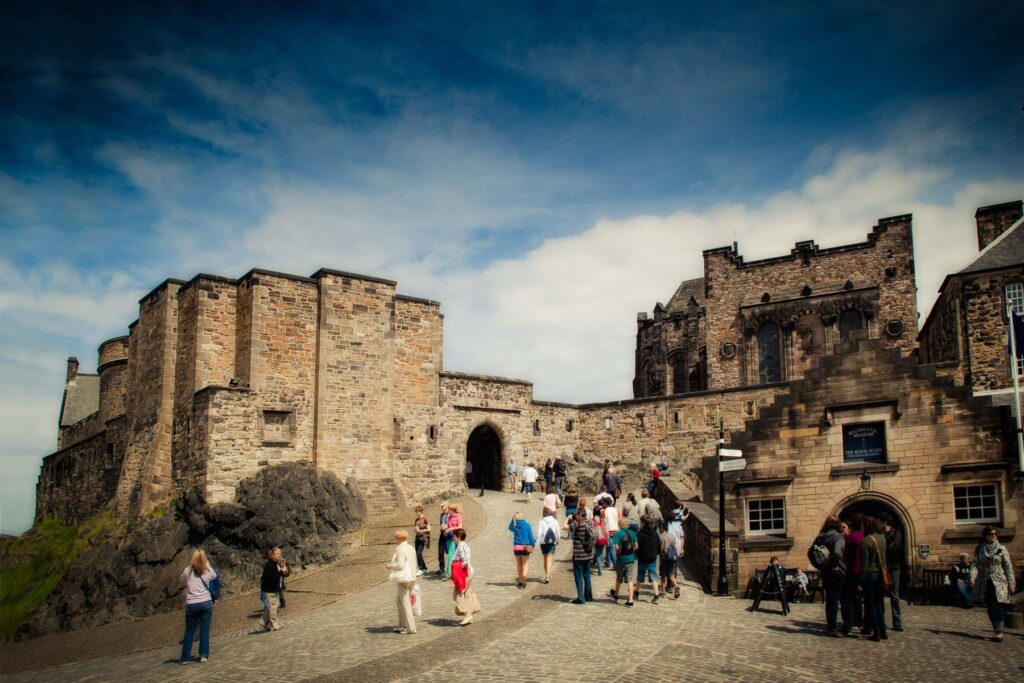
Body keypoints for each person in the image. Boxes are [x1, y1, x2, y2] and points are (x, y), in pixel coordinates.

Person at [973, 526, 1017, 642]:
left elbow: (1008, 567)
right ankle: (996, 629)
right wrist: (973, 577)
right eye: (991, 534)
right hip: (985, 581)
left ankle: (999, 631)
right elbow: (975, 564)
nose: (994, 535)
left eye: (995, 534)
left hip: (999, 581)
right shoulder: (980, 550)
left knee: (998, 605)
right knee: (990, 606)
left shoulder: (1001, 549)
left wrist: (1012, 583)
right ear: (986, 536)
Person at [808, 515, 846, 637]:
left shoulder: (820, 537)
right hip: (836, 571)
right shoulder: (838, 537)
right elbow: (837, 552)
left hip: (825, 572)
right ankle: (833, 628)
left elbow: (810, 552)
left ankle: (830, 626)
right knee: (835, 600)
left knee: (830, 600)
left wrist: (818, 565)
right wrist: (839, 566)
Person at [179, 548, 218, 664]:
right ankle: (203, 655)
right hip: (205, 602)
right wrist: (206, 566)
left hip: (192, 603)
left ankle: (185, 658)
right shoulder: (208, 570)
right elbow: (215, 577)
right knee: (204, 630)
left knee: (189, 631)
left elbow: (181, 582)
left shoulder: (187, 571)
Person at [860, 516, 888, 642]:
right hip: (881, 574)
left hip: (870, 575)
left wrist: (861, 579)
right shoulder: (882, 538)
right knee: (878, 603)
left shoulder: (866, 541)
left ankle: (876, 632)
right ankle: (883, 631)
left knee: (870, 604)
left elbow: (864, 563)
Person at [386, 529, 418, 634]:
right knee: (399, 601)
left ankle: (410, 627)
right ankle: (402, 624)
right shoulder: (410, 547)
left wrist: (390, 565)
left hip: (403, 578)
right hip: (412, 577)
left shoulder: (400, 548)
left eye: (395, 537)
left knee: (405, 602)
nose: (394, 539)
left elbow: (400, 565)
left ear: (398, 538)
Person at [450, 528, 481, 625]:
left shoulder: (461, 546)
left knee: (457, 595)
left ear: (458, 537)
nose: (453, 538)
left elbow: (465, 561)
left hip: (464, 574)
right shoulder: (462, 545)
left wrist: (456, 566)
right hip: (467, 573)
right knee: (467, 593)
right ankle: (470, 614)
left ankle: (468, 615)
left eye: (454, 536)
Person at [840, 515, 864, 635]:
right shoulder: (863, 536)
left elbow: (844, 555)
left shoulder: (851, 538)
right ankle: (859, 622)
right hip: (863, 572)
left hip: (852, 572)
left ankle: (848, 625)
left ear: (850, 527)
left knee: (847, 599)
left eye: (844, 527)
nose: (842, 529)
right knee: (858, 599)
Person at [880, 513, 904, 631]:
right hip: (883, 567)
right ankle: (881, 621)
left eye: (880, 521)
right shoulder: (880, 534)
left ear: (885, 522)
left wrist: (887, 547)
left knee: (894, 595)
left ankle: (897, 622)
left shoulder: (896, 533)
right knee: (880, 594)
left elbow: (896, 546)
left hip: (894, 567)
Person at [260, 547, 290, 632]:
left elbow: (283, 574)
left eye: (280, 554)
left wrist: (284, 570)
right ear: (272, 555)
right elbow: (272, 577)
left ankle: (263, 621)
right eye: (277, 554)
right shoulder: (269, 565)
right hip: (270, 589)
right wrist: (281, 571)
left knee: (274, 605)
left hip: (275, 588)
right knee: (273, 606)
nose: (279, 555)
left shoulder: (276, 563)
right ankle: (274, 624)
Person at [609, 519, 638, 607]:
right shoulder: (632, 533)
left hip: (621, 559)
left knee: (619, 578)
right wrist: (632, 552)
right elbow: (637, 546)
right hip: (630, 558)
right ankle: (630, 600)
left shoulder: (618, 534)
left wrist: (618, 553)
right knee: (630, 579)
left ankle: (616, 595)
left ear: (619, 525)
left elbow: (617, 547)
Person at [571, 508, 596, 604]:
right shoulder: (590, 522)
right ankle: (588, 596)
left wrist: (568, 519)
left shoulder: (578, 523)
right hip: (588, 553)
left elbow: (565, 527)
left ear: (579, 514)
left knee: (578, 575)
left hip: (579, 554)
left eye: (576, 514)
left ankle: (581, 598)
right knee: (587, 575)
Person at [635, 514, 662, 604]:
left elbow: (637, 546)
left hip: (642, 558)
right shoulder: (655, 533)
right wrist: (656, 553)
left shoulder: (640, 533)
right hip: (652, 559)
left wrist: (637, 554)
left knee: (640, 576)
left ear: (643, 522)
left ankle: (637, 593)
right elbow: (659, 545)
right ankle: (656, 596)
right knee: (653, 577)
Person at [509, 511, 537, 588]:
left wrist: (513, 519)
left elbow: (509, 527)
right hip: (525, 547)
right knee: (525, 564)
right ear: (522, 517)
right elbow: (530, 536)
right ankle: (524, 577)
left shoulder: (515, 525)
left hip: (516, 547)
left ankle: (520, 581)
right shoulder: (527, 525)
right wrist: (533, 545)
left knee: (519, 564)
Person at [658, 520, 681, 599]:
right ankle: (676, 585)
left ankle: (663, 592)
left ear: (661, 528)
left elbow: (660, 549)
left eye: (659, 527)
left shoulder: (661, 537)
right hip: (672, 558)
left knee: (663, 575)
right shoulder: (671, 535)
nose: (658, 529)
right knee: (670, 574)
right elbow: (674, 545)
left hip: (664, 558)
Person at [537, 507, 560, 583]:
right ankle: (548, 575)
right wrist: (557, 540)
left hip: (543, 542)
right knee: (549, 558)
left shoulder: (541, 522)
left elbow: (539, 532)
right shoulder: (555, 521)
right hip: (552, 542)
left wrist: (538, 541)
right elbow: (558, 532)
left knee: (545, 558)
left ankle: (547, 574)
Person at [445, 503, 464, 578]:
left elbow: (460, 526)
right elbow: (448, 526)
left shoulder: (458, 516)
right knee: (452, 555)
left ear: (452, 510)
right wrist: (445, 528)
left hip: (455, 537)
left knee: (451, 555)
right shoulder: (449, 517)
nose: (448, 510)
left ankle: (448, 573)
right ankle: (455, 571)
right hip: (449, 537)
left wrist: (450, 529)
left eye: (449, 509)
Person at [601, 499, 620, 568]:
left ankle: (615, 564)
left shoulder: (604, 511)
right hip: (616, 530)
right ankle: (607, 562)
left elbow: (602, 522)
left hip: (609, 530)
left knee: (611, 548)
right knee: (610, 547)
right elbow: (619, 519)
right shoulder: (616, 510)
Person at [414, 505, 431, 575]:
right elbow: (416, 529)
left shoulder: (425, 519)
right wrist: (418, 530)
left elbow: (429, 529)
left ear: (420, 511)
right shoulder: (416, 520)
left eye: (417, 512)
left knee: (419, 553)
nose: (416, 513)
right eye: (416, 512)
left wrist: (422, 530)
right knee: (418, 553)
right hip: (417, 538)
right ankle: (424, 568)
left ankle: (420, 568)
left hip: (423, 538)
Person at [437, 502, 450, 577]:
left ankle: (450, 568)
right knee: (440, 551)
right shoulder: (441, 515)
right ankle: (442, 568)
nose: (441, 507)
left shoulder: (450, 514)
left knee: (449, 552)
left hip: (448, 534)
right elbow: (441, 523)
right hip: (442, 534)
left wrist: (447, 528)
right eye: (441, 506)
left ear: (447, 506)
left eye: (442, 506)